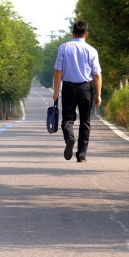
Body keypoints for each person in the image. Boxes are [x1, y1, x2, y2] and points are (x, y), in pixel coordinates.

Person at [53, 21, 102, 162]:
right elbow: (97, 74)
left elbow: (57, 71)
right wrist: (98, 94)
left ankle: (69, 137)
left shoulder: (64, 48)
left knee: (68, 119)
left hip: (68, 87)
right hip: (85, 88)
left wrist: (56, 91)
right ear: (86, 34)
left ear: (72, 33)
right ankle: (81, 155)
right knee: (85, 122)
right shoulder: (92, 50)